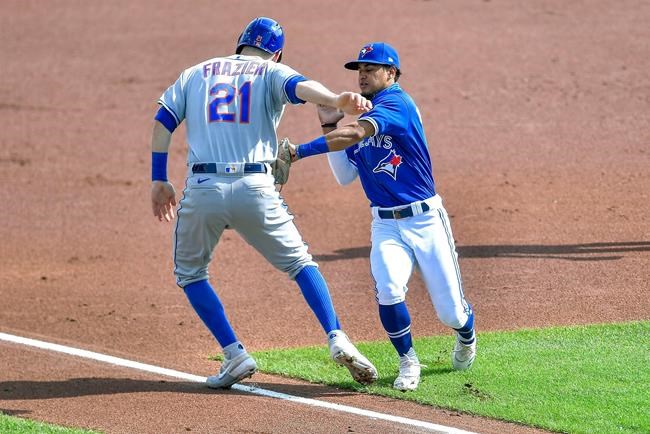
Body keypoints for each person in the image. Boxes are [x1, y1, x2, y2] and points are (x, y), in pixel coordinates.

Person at [150, 17, 378, 389]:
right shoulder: (271, 70)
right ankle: (336, 336)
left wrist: (159, 178)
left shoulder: (196, 73)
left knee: (191, 274)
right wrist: (337, 100)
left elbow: (163, 120)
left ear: (239, 44)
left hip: (204, 187)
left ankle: (234, 354)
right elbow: (301, 87)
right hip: (256, 186)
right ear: (277, 52)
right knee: (300, 263)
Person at [285, 42, 476, 391]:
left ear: (391, 74)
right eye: (359, 69)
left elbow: (356, 133)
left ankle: (466, 335)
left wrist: (298, 151)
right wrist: (329, 126)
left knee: (451, 313)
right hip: (385, 224)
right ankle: (408, 360)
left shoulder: (395, 106)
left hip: (425, 220)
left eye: (371, 69)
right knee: (388, 291)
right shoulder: (365, 119)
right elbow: (345, 174)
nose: (362, 75)